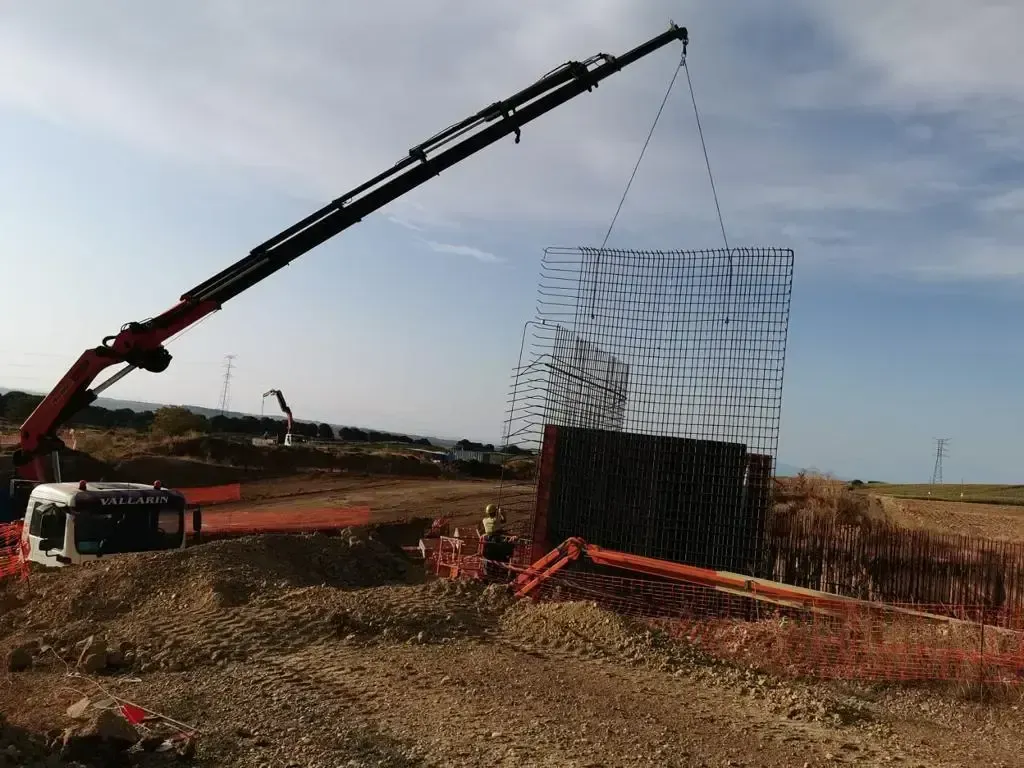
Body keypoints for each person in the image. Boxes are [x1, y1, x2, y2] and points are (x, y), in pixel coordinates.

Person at [479, 504, 512, 582]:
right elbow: (504, 520)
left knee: (489, 561)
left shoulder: (484, 520)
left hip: (488, 541)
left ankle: (489, 575)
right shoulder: (496, 520)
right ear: (494, 512)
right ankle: (503, 574)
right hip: (496, 540)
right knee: (506, 552)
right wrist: (501, 513)